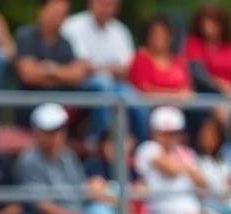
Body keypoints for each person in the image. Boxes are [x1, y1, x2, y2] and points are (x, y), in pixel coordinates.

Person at [61, 0, 145, 142]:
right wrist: (109, 68)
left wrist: (96, 67)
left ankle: (140, 144)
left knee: (134, 97)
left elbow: (126, 70)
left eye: (111, 4)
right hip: (79, 85)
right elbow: (81, 67)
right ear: (91, 3)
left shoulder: (121, 31)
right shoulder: (73, 25)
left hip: (115, 85)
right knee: (103, 85)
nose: (106, 8)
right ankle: (98, 143)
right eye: (103, 3)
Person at [13, 0, 89, 129]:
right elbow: (28, 74)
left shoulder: (66, 43)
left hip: (61, 107)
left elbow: (77, 75)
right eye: (53, 13)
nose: (56, 19)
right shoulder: (25, 36)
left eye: (61, 15)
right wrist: (62, 74)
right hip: (30, 107)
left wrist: (50, 70)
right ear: (41, 10)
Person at [14, 102, 93, 214]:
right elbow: (40, 204)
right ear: (36, 133)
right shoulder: (29, 160)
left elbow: (81, 190)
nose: (55, 136)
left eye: (59, 130)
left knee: (102, 213)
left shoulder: (69, 157)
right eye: (49, 132)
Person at [135, 105, 207, 214]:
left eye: (174, 133)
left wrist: (184, 166)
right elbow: (171, 169)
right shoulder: (148, 148)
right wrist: (187, 166)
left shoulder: (186, 151)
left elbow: (202, 182)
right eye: (165, 133)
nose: (170, 137)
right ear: (154, 132)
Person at [185, 3, 231, 98]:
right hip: (206, 96)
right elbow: (199, 76)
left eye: (212, 22)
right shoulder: (194, 44)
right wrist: (223, 87)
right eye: (204, 22)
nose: (207, 26)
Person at [128, 16, 192, 100]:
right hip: (149, 109)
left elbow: (188, 92)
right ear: (148, 37)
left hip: (179, 110)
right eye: (155, 34)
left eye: (163, 34)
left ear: (170, 37)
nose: (159, 38)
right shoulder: (141, 57)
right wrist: (176, 95)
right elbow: (144, 91)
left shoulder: (179, 61)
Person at [195, 114, 231, 214]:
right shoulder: (194, 160)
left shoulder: (226, 159)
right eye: (205, 133)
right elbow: (204, 187)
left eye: (212, 134)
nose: (208, 137)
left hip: (228, 209)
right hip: (205, 210)